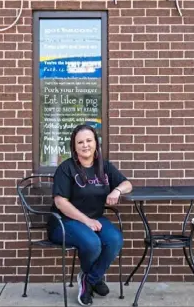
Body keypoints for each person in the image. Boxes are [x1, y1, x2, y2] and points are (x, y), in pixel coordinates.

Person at [48, 124, 132, 306]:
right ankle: (94, 281)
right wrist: (86, 221)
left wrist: (116, 190)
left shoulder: (104, 166)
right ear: (74, 146)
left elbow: (127, 184)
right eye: (80, 142)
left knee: (115, 240)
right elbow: (60, 202)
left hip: (95, 219)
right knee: (92, 243)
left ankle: (90, 279)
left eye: (89, 140)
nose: (85, 145)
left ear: (96, 143)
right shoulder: (66, 168)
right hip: (64, 222)